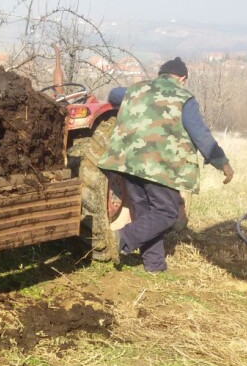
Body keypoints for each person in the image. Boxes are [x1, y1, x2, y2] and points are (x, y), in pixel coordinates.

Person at [98, 57, 234, 272]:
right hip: (160, 167)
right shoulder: (183, 97)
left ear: (161, 75)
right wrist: (221, 162)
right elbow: (201, 135)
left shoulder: (136, 90)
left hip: (127, 162)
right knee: (166, 213)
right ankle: (122, 238)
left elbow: (114, 94)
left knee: (144, 213)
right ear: (182, 78)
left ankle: (154, 265)